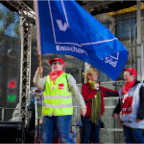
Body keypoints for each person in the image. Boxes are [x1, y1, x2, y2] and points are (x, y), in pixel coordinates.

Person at [33, 58, 87, 143]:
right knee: (45, 139)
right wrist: (37, 73)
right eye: (53, 64)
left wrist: (83, 106)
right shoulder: (47, 78)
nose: (54, 65)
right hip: (48, 113)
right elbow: (37, 83)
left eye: (57, 63)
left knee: (64, 138)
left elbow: (76, 93)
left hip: (63, 114)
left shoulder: (67, 77)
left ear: (63, 66)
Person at [81, 68, 118, 143]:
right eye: (94, 74)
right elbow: (85, 99)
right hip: (87, 116)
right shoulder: (85, 87)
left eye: (96, 74)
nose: (96, 75)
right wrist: (94, 90)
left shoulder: (100, 88)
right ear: (88, 76)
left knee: (96, 136)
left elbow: (112, 92)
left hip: (97, 116)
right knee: (86, 135)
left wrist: (123, 91)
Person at [113, 67, 144, 143]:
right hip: (126, 120)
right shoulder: (124, 89)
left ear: (133, 75)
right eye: (124, 75)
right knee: (128, 139)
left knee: (137, 138)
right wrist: (116, 111)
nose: (124, 77)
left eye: (126, 75)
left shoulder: (140, 86)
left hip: (136, 120)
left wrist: (140, 116)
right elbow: (121, 102)